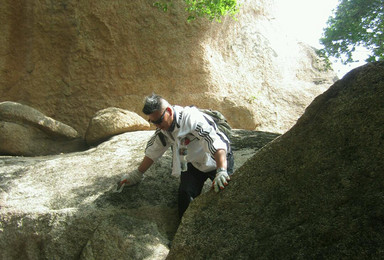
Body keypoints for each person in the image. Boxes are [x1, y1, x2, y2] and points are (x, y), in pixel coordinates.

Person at [118, 93, 234, 218]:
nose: (157, 125)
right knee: (185, 195)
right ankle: (185, 233)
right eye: (153, 122)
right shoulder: (163, 130)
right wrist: (137, 174)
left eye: (159, 121)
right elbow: (153, 151)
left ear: (168, 111)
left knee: (227, 193)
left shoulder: (192, 118)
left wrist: (221, 170)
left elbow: (214, 141)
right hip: (193, 164)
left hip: (217, 159)